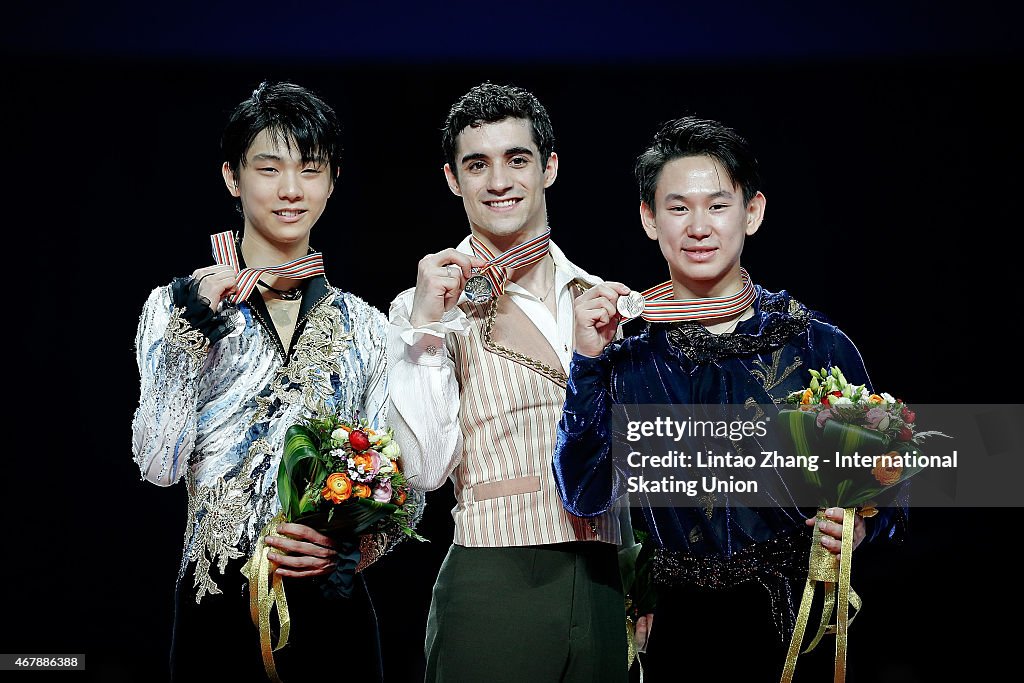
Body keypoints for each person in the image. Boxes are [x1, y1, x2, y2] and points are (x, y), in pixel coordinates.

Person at [552, 116, 907, 681]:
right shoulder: (626, 359)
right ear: (649, 219)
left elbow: (891, 478)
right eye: (678, 207)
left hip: (798, 617)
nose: (699, 227)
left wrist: (864, 523)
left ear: (753, 212)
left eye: (717, 205)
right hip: (676, 626)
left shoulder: (815, 343)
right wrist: (587, 363)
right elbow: (586, 491)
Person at [131, 81, 414, 681]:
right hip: (216, 609)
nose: (291, 190)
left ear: (333, 180)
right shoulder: (172, 306)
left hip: (333, 612)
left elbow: (400, 482)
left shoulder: (365, 325)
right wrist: (194, 329)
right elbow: (157, 462)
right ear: (233, 178)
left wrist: (351, 552)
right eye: (269, 168)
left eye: (310, 170)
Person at [386, 82, 648, 682]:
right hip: (497, 578)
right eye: (478, 164)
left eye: (517, 159)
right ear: (454, 179)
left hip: (609, 582)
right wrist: (428, 322)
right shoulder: (423, 310)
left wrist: (638, 571)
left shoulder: (606, 299)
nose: (499, 181)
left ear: (549, 167)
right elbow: (423, 471)